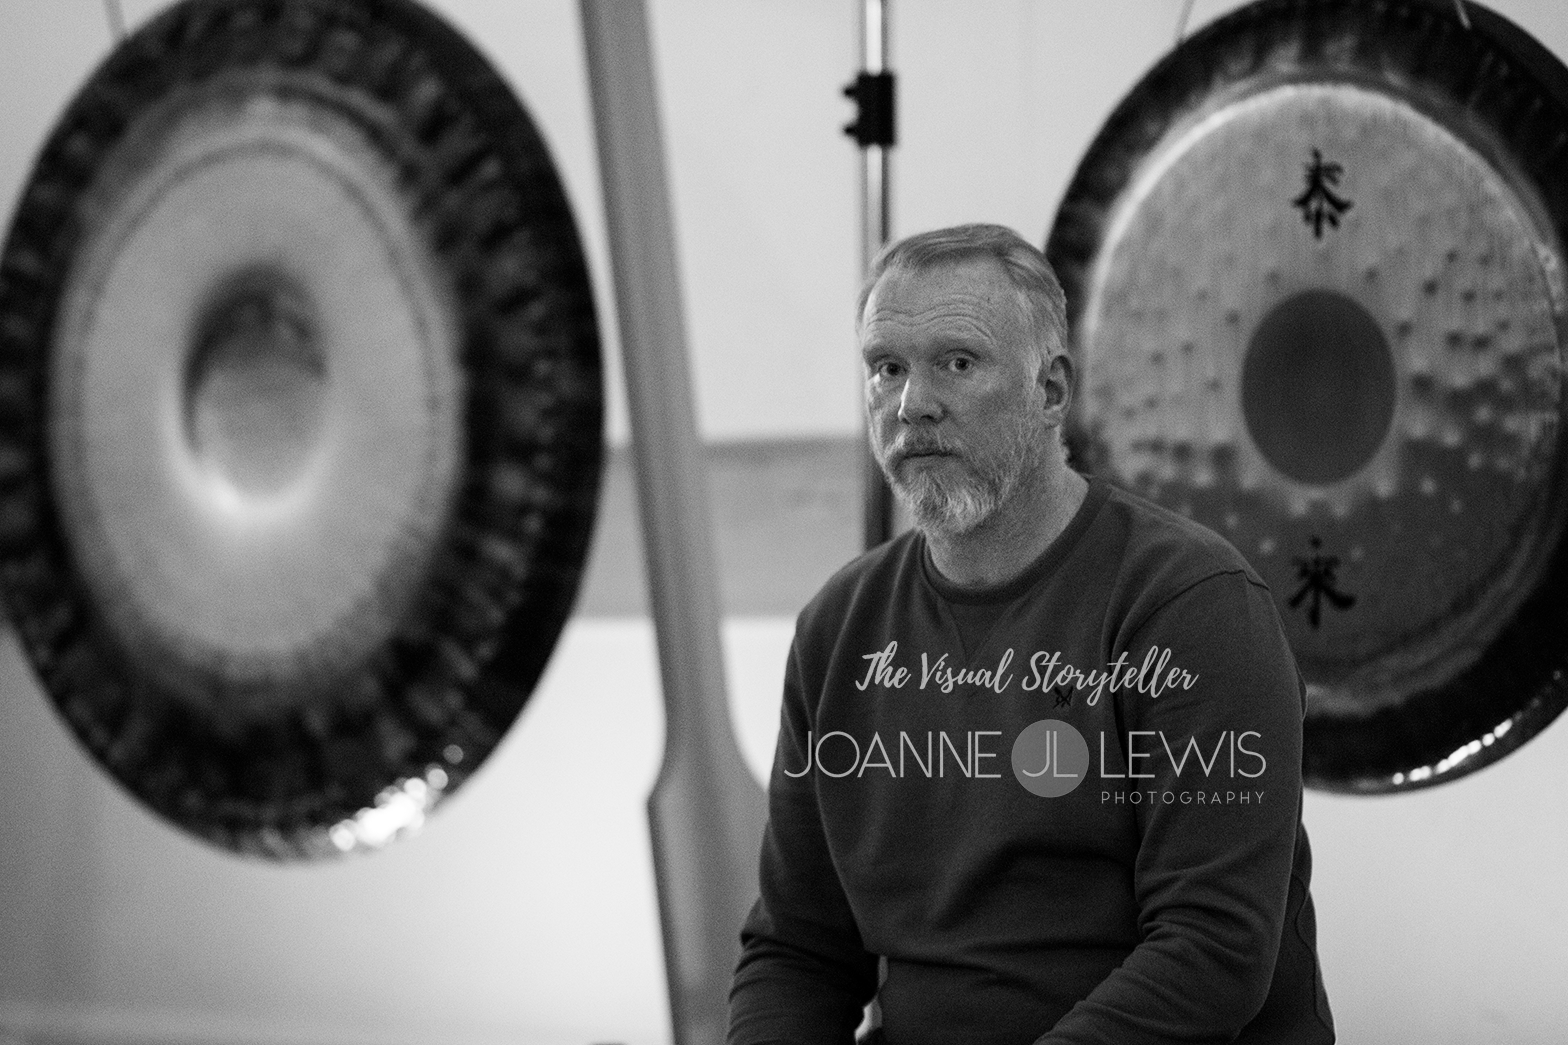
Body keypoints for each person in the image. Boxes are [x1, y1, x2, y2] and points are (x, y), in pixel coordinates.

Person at [727, 224, 1334, 1045]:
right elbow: (798, 949)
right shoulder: (839, 630)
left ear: (1051, 391)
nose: (912, 403)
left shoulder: (1193, 606)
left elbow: (1212, 949)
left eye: (958, 362)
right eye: (887, 367)